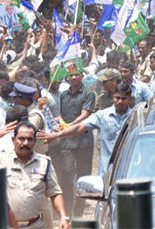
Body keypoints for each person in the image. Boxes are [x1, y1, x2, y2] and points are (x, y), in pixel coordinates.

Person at [0, 121, 70, 229]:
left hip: (35, 225)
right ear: (13, 140)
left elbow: (55, 193)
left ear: (34, 142)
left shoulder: (44, 163)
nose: (25, 143)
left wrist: (63, 217)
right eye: (21, 138)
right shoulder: (1, 159)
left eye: (30, 139)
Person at [40, 82, 133, 172]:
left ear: (130, 100)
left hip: (128, 170)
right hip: (106, 172)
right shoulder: (102, 115)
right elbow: (79, 127)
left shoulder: (135, 117)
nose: (120, 101)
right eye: (117, 98)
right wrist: (56, 135)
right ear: (113, 97)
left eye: (124, 98)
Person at [53, 64, 94, 214]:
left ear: (82, 76)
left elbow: (85, 114)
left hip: (84, 141)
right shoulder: (64, 95)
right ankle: (67, 211)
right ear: (66, 77)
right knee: (67, 174)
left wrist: (69, 126)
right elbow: (62, 116)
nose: (74, 77)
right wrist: (57, 124)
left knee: (83, 178)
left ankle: (79, 213)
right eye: (71, 75)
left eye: (77, 74)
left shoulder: (89, 94)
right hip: (67, 142)